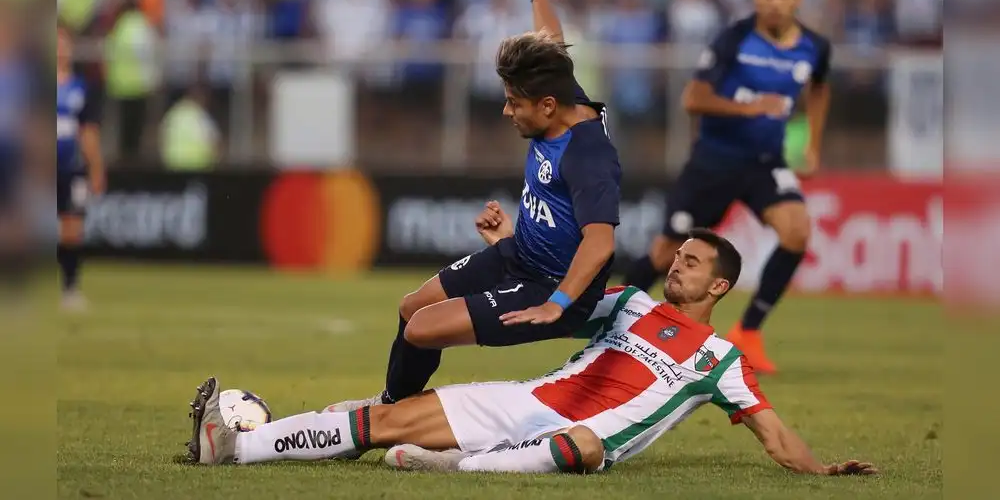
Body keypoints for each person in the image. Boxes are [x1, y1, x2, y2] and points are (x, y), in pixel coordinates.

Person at [186, 229, 876, 478]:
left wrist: (820, 469)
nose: (678, 266)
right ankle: (234, 446)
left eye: (693, 263)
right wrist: (509, 245)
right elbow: (556, 298)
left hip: (579, 438)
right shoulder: (630, 303)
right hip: (525, 403)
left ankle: (461, 465)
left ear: (719, 287)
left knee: (584, 447)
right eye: (679, 257)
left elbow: (772, 433)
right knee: (384, 421)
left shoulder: (721, 360)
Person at [328, 0, 621, 412]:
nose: (507, 112)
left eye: (514, 103)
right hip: (518, 255)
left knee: (422, 329)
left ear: (547, 105)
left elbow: (600, 242)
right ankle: (391, 406)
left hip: (548, 285)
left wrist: (558, 304)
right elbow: (551, 40)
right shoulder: (562, 92)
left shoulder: (589, 155)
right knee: (412, 307)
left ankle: (393, 416)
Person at [622, 0, 833, 374]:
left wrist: (812, 144)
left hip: (765, 163)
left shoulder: (815, 47)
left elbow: (820, 89)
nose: (775, 2)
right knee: (665, 253)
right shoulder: (733, 39)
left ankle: (747, 332)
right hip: (715, 161)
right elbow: (693, 99)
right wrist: (751, 108)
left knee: (796, 231)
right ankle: (610, 316)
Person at [56, 25, 105, 311]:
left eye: (64, 44)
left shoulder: (81, 88)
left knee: (72, 228)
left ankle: (70, 289)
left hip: (71, 167)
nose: (59, 49)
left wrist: (96, 168)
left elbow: (88, 132)